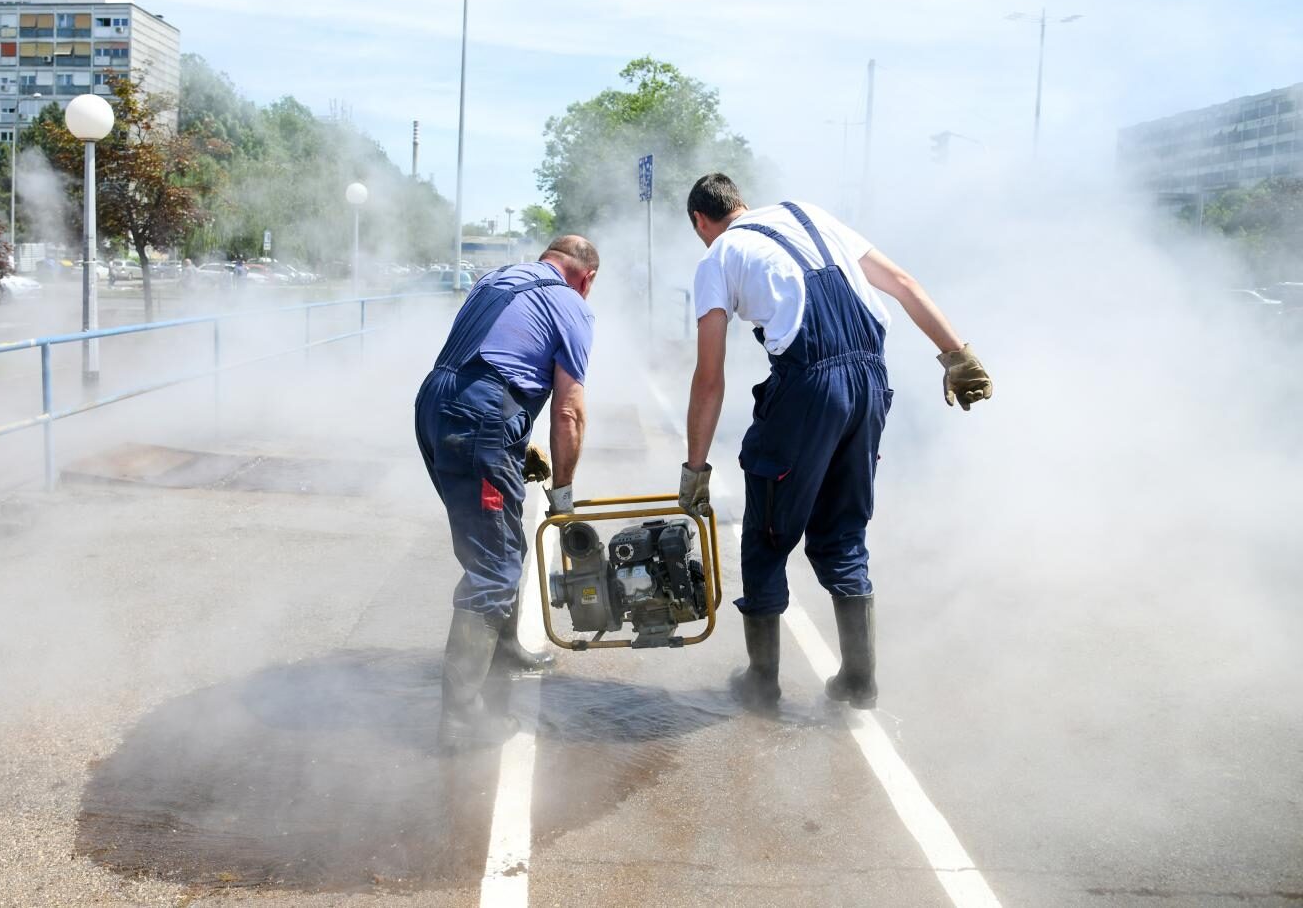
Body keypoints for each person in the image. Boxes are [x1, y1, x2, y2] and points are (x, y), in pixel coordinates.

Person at [676, 174, 991, 711]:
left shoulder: (720, 254)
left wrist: (695, 467)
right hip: (871, 379)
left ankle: (762, 684)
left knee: (768, 535)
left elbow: (710, 374)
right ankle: (859, 682)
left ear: (701, 222)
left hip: (809, 387)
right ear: (743, 203)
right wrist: (955, 355)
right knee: (843, 533)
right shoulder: (809, 215)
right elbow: (903, 283)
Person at [415, 236, 599, 749]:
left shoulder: (494, 280)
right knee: (493, 564)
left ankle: (506, 647)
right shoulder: (571, 303)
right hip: (481, 420)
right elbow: (569, 410)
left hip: (434, 404)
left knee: (499, 539)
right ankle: (461, 720)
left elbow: (489, 358)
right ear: (586, 278)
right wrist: (563, 493)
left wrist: (510, 443)